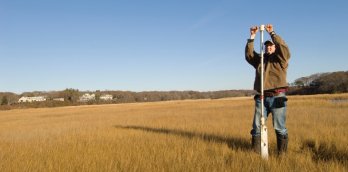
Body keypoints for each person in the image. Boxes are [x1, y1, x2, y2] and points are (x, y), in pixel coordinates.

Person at [245, 24, 291, 155]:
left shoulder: (281, 59)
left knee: (280, 128)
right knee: (256, 128)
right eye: (266, 46)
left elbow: (284, 49)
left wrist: (272, 34)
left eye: (271, 45)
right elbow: (249, 55)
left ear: (275, 47)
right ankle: (256, 154)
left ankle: (282, 155)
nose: (268, 47)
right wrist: (252, 37)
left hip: (278, 97)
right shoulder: (260, 60)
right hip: (262, 98)